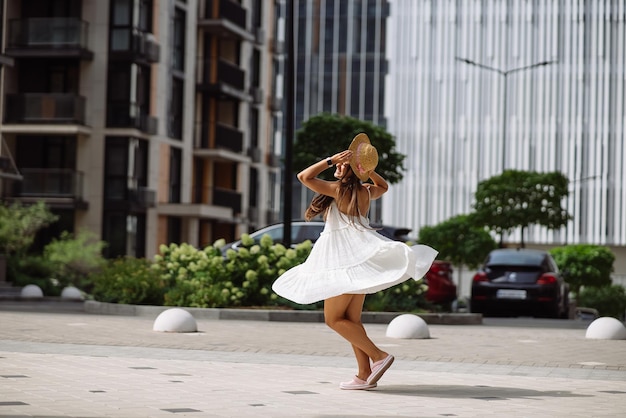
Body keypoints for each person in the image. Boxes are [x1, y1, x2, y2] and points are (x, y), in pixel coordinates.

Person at [272, 133, 438, 390]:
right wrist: (368, 171)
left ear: (348, 169)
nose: (338, 166)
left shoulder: (337, 189)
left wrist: (328, 161)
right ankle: (363, 375)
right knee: (352, 321)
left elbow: (303, 177)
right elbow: (383, 187)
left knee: (333, 320)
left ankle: (379, 356)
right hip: (359, 256)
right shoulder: (365, 190)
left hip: (341, 257)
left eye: (341, 164)